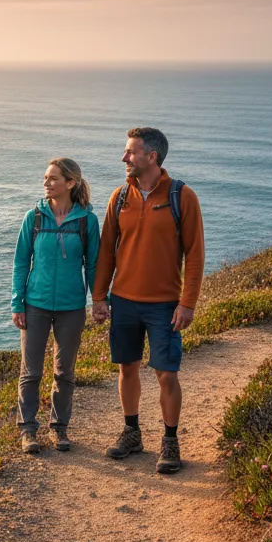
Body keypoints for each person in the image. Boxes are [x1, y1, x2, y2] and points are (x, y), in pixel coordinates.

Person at [92, 127, 204, 474]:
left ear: (151, 157)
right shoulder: (119, 197)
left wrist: (187, 304)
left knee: (166, 374)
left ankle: (170, 441)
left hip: (164, 305)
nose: (125, 158)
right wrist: (99, 297)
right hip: (123, 301)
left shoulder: (181, 197)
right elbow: (106, 252)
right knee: (127, 368)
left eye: (131, 152)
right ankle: (132, 432)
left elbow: (195, 254)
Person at [11, 158, 101, 454]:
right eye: (45, 178)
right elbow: (21, 262)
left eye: (52, 179)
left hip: (71, 307)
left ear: (70, 183)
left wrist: (99, 300)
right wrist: (17, 303)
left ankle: (59, 429)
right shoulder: (34, 217)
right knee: (31, 371)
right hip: (35, 304)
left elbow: (94, 265)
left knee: (64, 372)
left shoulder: (87, 221)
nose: (46, 183)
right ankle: (28, 430)